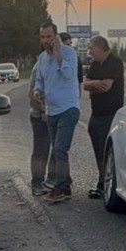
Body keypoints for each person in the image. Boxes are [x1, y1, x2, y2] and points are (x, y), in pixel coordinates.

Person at [32, 22, 80, 203]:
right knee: (57, 150)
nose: (45, 40)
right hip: (51, 110)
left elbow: (69, 75)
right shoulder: (42, 58)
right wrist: (38, 90)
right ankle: (66, 185)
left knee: (60, 149)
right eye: (42, 37)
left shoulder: (69, 54)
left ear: (56, 36)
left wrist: (59, 54)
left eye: (49, 37)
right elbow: (40, 80)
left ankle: (58, 188)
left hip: (68, 109)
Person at [82, 36, 124, 199]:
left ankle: (108, 184)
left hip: (110, 114)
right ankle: (101, 180)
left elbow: (106, 87)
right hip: (96, 113)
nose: (90, 51)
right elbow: (86, 85)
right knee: (98, 149)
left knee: (107, 151)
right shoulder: (94, 64)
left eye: (91, 48)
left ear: (100, 47)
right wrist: (93, 84)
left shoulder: (115, 62)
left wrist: (93, 85)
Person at [27, 63, 51, 196]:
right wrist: (43, 109)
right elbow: (31, 93)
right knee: (40, 151)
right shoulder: (40, 67)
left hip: (51, 114)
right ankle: (37, 182)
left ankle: (47, 181)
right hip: (40, 116)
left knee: (48, 150)